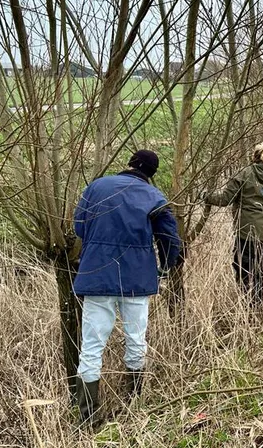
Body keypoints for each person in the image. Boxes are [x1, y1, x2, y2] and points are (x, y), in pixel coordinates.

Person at [73, 149, 182, 427]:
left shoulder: (97, 187)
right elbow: (170, 237)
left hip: (96, 277)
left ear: (130, 164)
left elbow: (79, 226)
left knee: (92, 346)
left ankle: (89, 417)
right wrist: (166, 266)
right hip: (136, 280)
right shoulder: (153, 197)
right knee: (135, 340)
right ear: (151, 174)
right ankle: (134, 402)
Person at [205, 143, 263, 308]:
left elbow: (224, 199)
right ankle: (258, 300)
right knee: (260, 264)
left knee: (240, 264)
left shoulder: (245, 174)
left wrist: (206, 196)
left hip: (246, 230)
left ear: (254, 155)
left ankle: (245, 298)